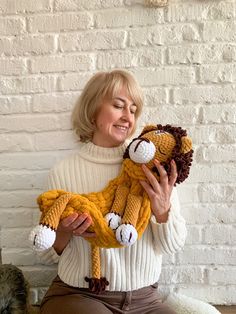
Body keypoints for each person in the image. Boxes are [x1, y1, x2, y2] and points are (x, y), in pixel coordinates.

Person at [38, 69, 187, 314]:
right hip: (80, 295)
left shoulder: (150, 167)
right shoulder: (63, 171)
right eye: (119, 105)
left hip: (145, 300)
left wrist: (163, 212)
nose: (128, 116)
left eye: (133, 109)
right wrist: (63, 231)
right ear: (93, 110)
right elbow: (45, 255)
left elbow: (172, 246)